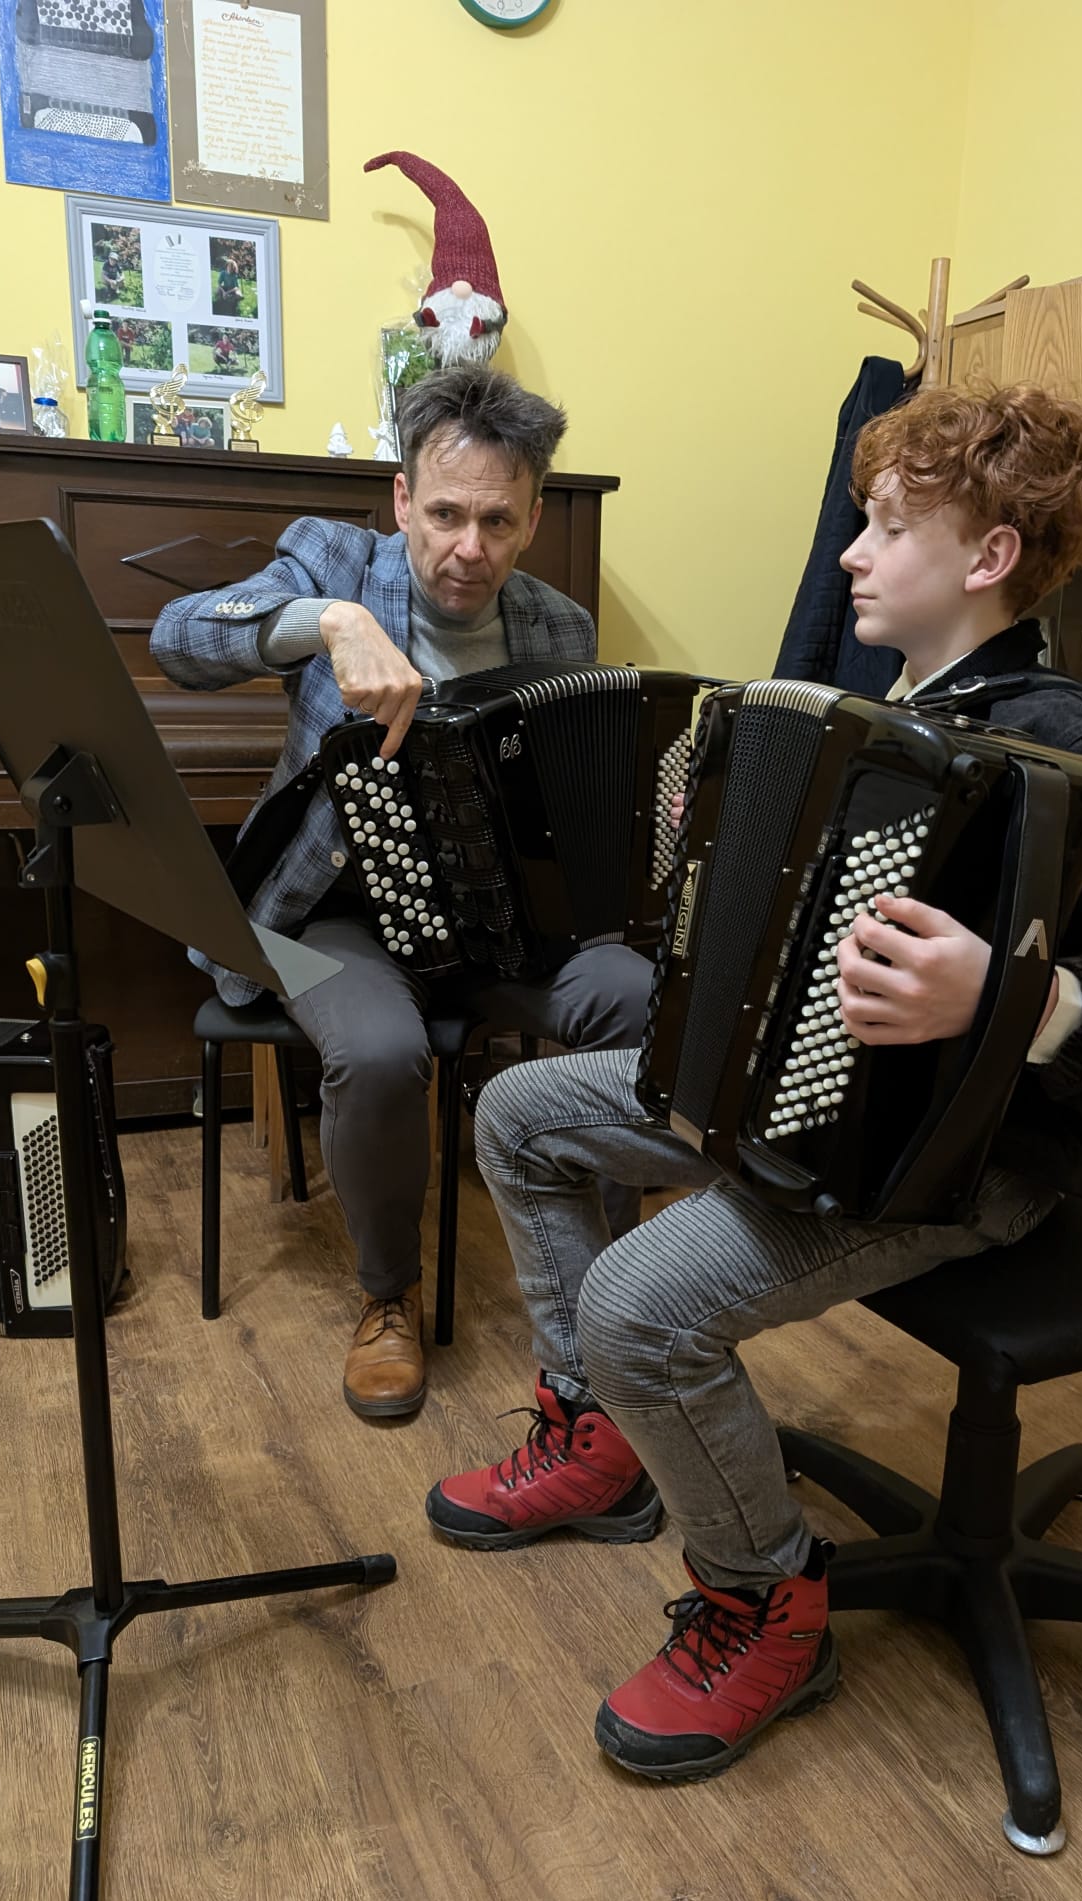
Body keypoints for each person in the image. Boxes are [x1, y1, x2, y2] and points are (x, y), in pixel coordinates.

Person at [427, 383, 1082, 1783]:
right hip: (799, 1097)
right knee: (518, 1113)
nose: (852, 552)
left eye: (891, 528)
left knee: (640, 1301)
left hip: (964, 1160)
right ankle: (599, 1432)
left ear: (987, 559)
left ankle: (763, 1600)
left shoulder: (1071, 746)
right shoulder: (875, 720)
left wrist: (1009, 995)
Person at [152, 366, 653, 1420]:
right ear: (401, 500)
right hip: (329, 915)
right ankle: (388, 1295)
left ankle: (616, 1292)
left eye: (499, 522)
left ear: (533, 521)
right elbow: (180, 639)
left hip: (495, 920)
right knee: (379, 1053)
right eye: (446, 514)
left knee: (638, 999)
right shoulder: (334, 562)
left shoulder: (558, 629)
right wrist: (326, 623)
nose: (470, 548)